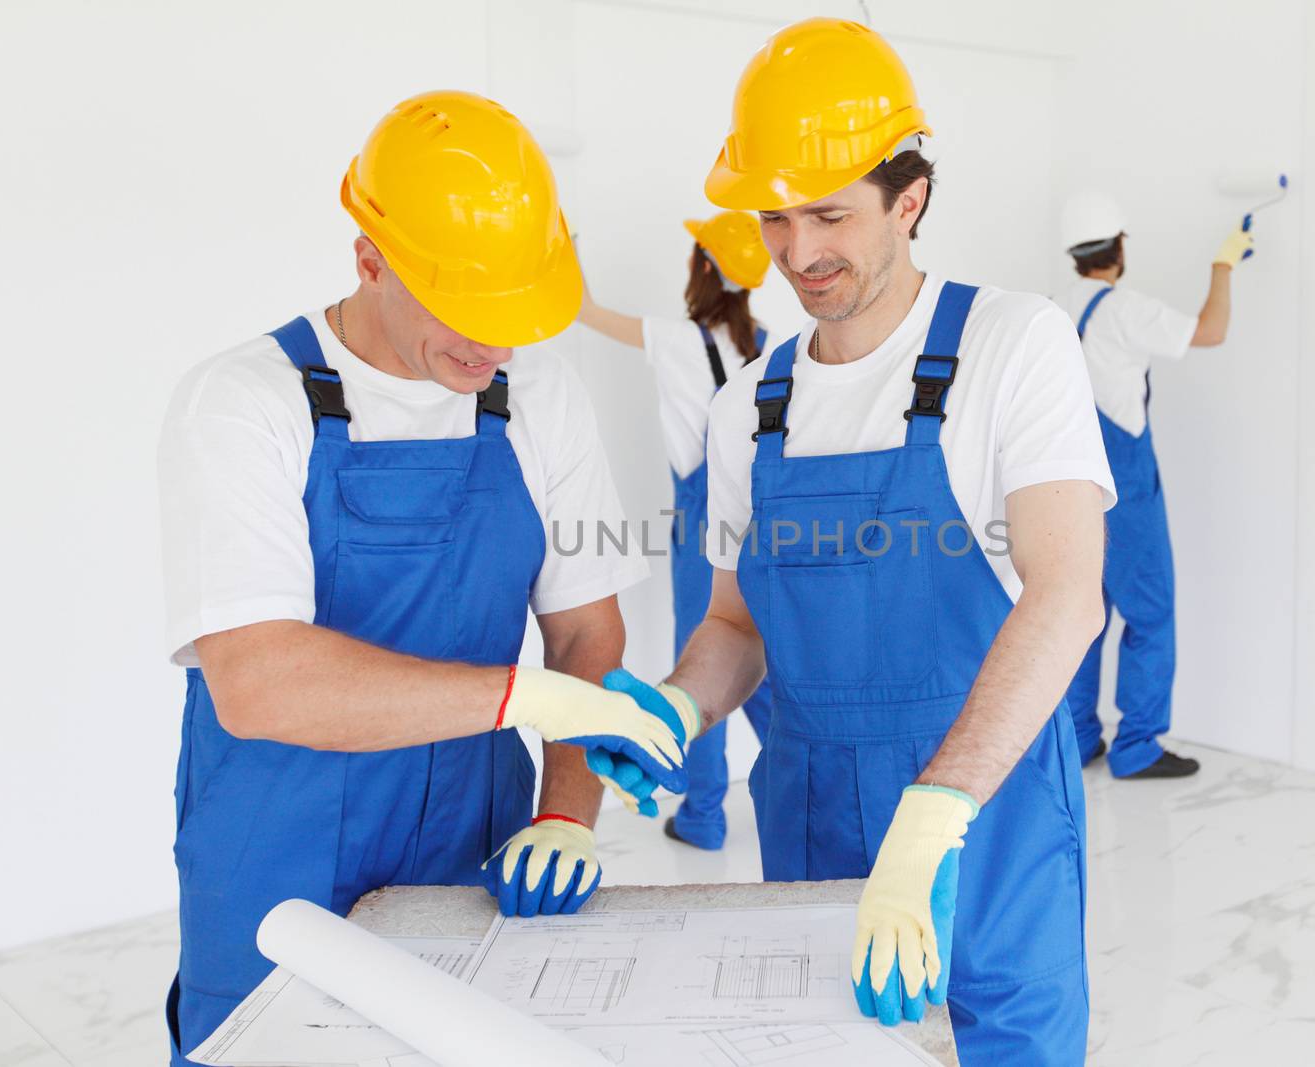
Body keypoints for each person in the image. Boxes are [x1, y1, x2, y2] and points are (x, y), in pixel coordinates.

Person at [588, 19, 1114, 1064]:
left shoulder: (1013, 346)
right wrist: (677, 705)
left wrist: (937, 809)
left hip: (985, 811)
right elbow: (738, 620)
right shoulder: (752, 404)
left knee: (1011, 1039)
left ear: (907, 199)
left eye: (828, 214)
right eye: (775, 219)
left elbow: (1066, 595)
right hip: (811, 803)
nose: (797, 253)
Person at [156, 91, 687, 1063]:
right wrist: (530, 695)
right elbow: (259, 677)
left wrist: (566, 811)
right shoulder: (242, 405)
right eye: (469, 312)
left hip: (467, 853)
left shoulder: (536, 396)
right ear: (370, 257)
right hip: (276, 861)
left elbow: (584, 634)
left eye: (514, 317)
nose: (494, 348)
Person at [574, 210, 778, 850]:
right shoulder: (770, 343)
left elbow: (583, 311)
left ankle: (704, 814)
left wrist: (565, 246)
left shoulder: (673, 338)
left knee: (705, 656)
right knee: (765, 657)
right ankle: (799, 787)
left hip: (701, 519)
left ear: (706, 267)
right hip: (766, 517)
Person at [1055, 191, 1254, 780]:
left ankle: (1079, 736)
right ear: (1118, 247)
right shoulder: (1123, 309)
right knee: (1150, 611)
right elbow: (1211, 330)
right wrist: (1223, 264)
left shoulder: (1050, 308)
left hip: (1068, 481)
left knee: (1084, 612)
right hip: (1125, 480)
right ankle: (1137, 746)